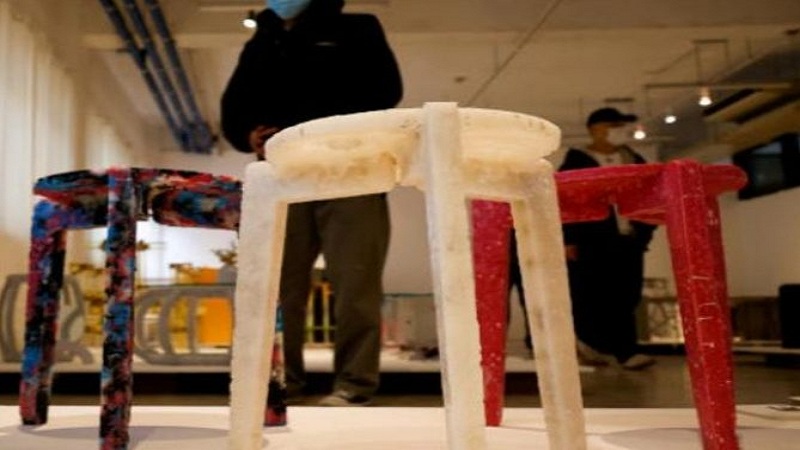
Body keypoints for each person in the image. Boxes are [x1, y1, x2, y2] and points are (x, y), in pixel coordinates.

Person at [221, 0, 403, 406]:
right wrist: (248, 134)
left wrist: (314, 126)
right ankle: (282, 382)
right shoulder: (261, 41)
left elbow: (385, 91)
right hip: (284, 172)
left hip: (352, 168)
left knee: (355, 283)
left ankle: (354, 384)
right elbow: (233, 107)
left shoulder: (358, 29)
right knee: (277, 286)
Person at [559, 107, 657, 370]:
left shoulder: (632, 159)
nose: (618, 131)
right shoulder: (577, 161)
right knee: (591, 294)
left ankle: (625, 350)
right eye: (613, 125)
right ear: (596, 129)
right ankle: (594, 346)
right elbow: (565, 201)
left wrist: (644, 233)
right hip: (591, 242)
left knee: (627, 294)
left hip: (628, 239)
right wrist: (569, 239)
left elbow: (649, 194)